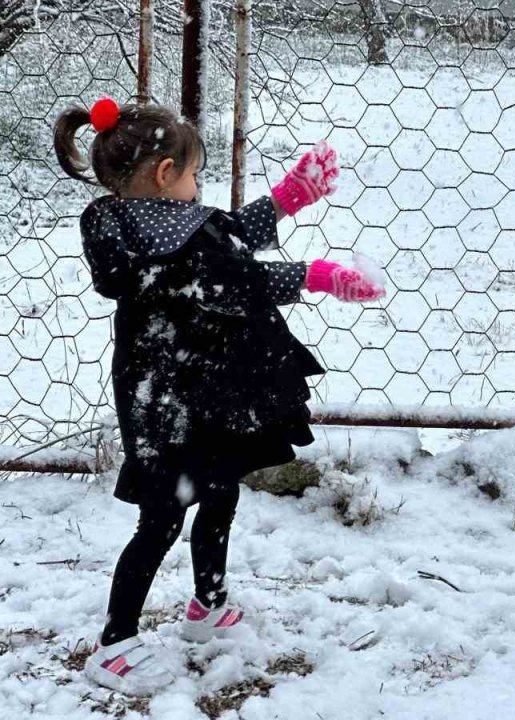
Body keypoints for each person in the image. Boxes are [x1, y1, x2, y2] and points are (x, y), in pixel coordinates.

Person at [54, 96, 384, 694]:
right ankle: (115, 643)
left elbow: (224, 235)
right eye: (194, 174)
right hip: (166, 407)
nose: (197, 186)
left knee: (221, 490)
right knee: (161, 519)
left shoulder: (160, 224)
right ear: (164, 175)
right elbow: (229, 277)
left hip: (201, 395)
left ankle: (208, 605)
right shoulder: (150, 248)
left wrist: (289, 198)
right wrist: (315, 276)